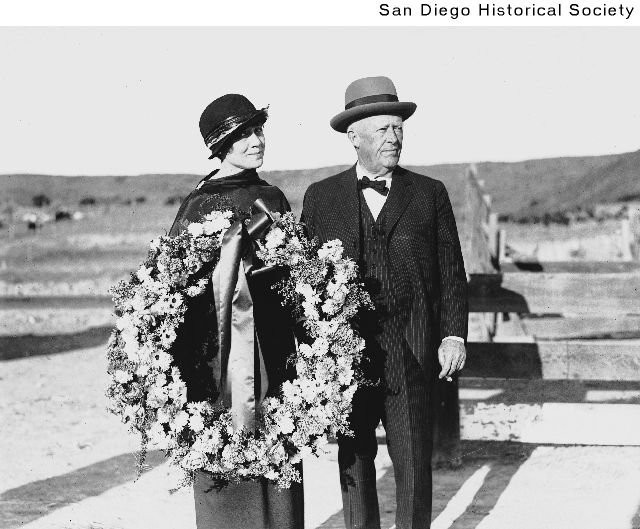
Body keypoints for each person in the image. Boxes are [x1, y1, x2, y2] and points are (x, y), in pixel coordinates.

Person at [300, 76, 468, 529]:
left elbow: (452, 271)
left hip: (411, 349)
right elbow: (305, 282)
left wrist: (452, 334)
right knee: (354, 461)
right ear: (353, 138)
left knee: (413, 460)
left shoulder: (429, 193)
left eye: (398, 129)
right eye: (382, 131)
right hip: (347, 355)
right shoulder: (321, 197)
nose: (394, 139)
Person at [169, 94, 304, 529]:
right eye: (244, 134)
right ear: (220, 144)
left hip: (274, 349)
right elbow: (176, 284)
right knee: (224, 451)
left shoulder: (272, 198)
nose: (256, 141)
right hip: (218, 356)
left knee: (276, 447)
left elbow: (293, 276)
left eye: (258, 130)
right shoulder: (198, 204)